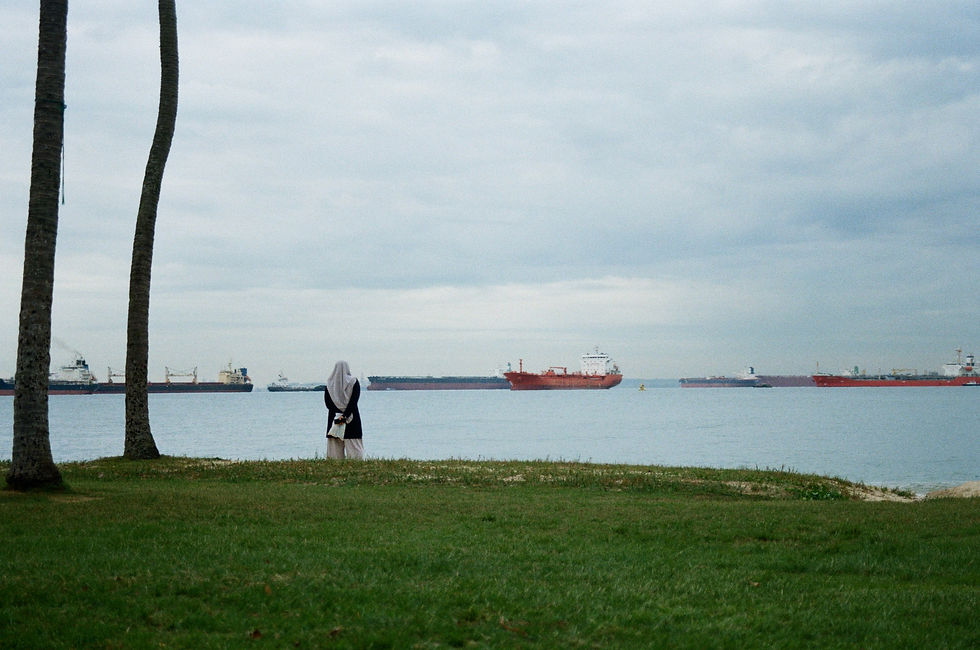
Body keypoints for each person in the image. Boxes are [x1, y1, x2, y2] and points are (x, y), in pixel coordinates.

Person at [324, 360, 363, 459]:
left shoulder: (329, 384)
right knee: (354, 446)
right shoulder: (354, 382)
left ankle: (335, 465)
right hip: (352, 418)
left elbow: (328, 404)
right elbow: (354, 402)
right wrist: (345, 415)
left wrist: (339, 414)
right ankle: (356, 464)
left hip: (334, 418)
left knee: (334, 448)